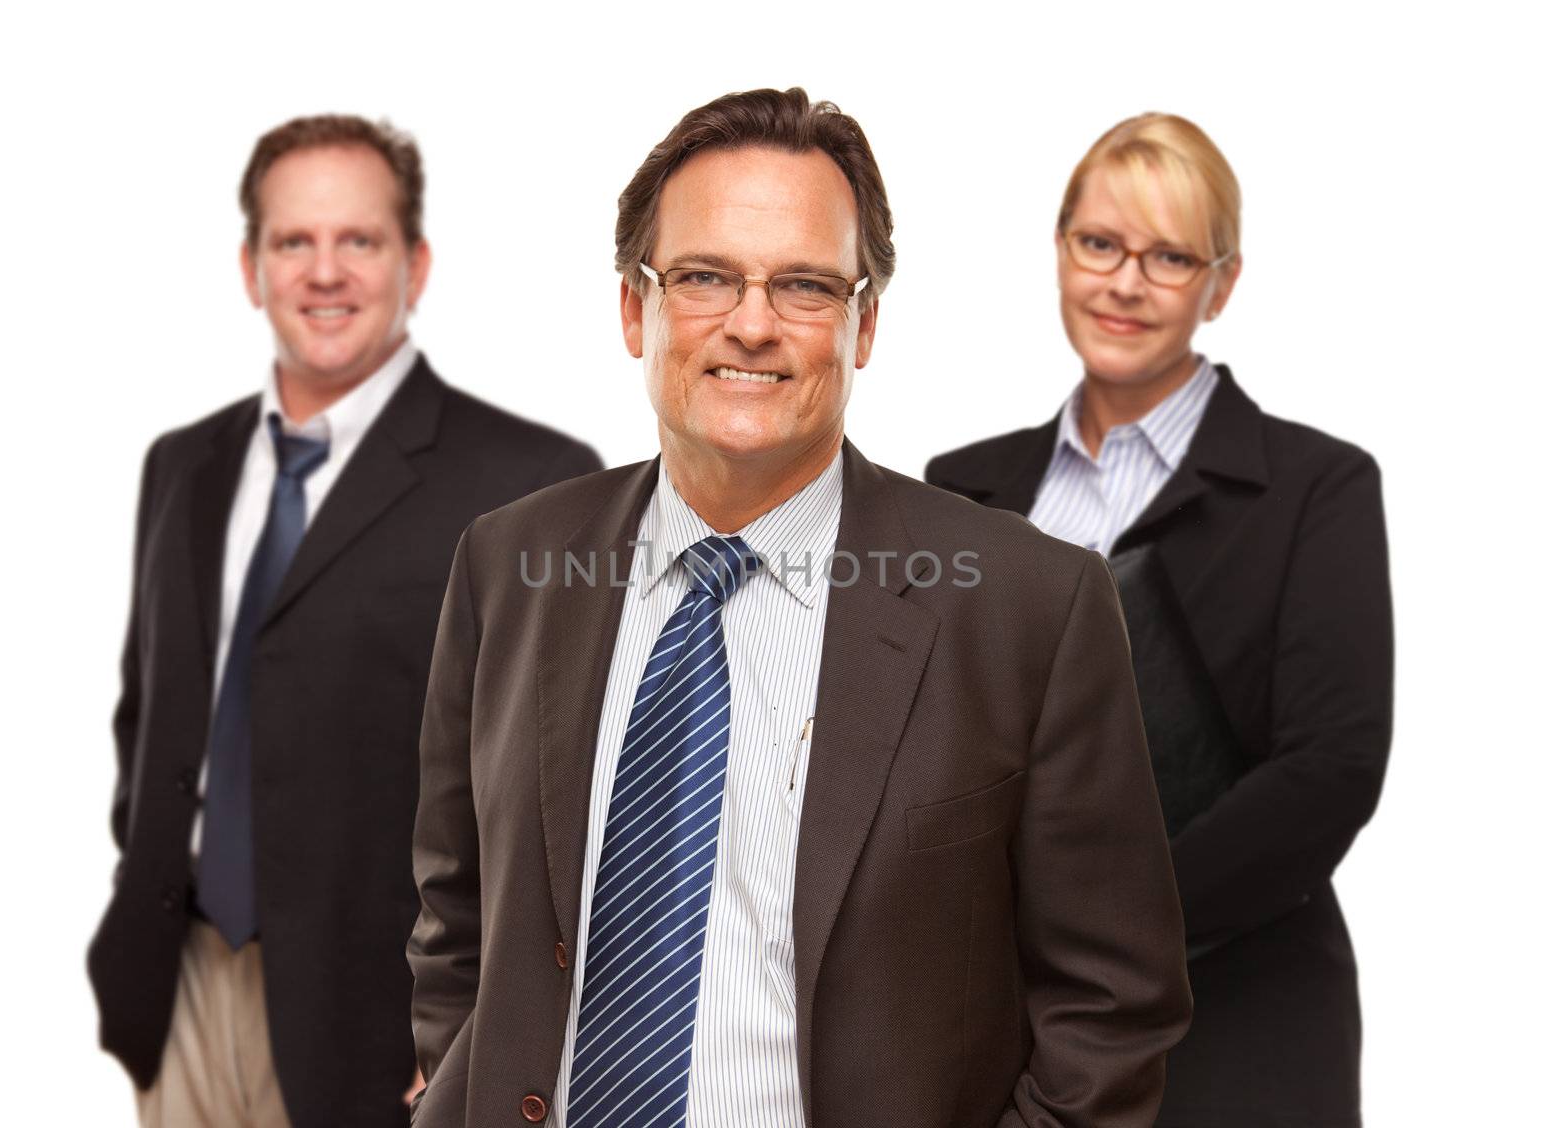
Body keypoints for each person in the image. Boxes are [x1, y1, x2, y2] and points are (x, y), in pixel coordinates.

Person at [407, 87, 1191, 1128]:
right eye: (703, 276)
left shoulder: (1027, 609)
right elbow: (455, 915)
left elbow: (1111, 1009)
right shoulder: (510, 563)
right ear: (634, 307)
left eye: (806, 286)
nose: (751, 323)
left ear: (863, 325)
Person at [86, 114, 602, 1128]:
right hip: (181, 988)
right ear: (251, 266)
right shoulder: (182, 467)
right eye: (294, 242)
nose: (325, 273)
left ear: (415, 263)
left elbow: (562, 800)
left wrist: (478, 1022)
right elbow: (147, 720)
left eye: (358, 241)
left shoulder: (531, 483)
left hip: (384, 1022)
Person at [927, 113, 1394, 1127]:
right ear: (1058, 251)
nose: (1124, 283)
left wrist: (1100, 935)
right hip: (1005, 1029)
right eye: (1099, 244)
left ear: (1220, 284)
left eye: (1169, 256)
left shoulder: (1314, 488)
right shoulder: (961, 492)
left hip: (1237, 1018)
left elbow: (1330, 770)